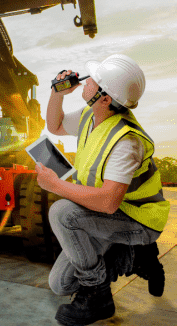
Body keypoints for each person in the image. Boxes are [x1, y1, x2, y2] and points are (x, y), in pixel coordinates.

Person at [36, 54, 169, 326]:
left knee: (62, 212)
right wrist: (56, 93)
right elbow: (55, 125)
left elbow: (108, 202)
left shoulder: (127, 142)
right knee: (60, 284)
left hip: (136, 219)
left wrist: (56, 185)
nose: (86, 81)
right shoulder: (90, 114)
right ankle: (136, 256)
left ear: (106, 98)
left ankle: (98, 294)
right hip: (105, 213)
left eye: (94, 80)